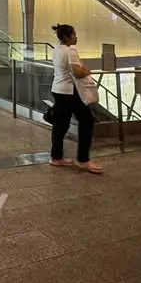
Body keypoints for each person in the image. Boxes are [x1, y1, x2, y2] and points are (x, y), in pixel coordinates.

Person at [49, 23, 101, 174]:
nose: (76, 37)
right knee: (87, 121)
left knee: (61, 124)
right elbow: (78, 73)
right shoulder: (71, 51)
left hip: (57, 89)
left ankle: (56, 157)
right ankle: (83, 160)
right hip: (70, 92)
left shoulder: (56, 50)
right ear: (66, 37)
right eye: (74, 34)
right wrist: (87, 70)